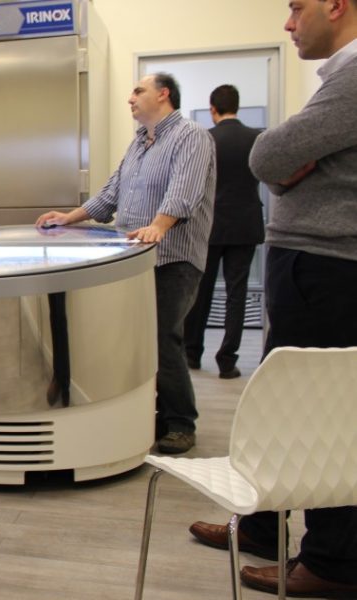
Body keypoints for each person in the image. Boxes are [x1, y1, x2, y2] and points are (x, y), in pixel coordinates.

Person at [188, 1, 357, 596]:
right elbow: (277, 161)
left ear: (336, 6)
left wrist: (285, 166)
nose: (289, 24)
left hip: (331, 266)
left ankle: (332, 563)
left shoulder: (355, 75)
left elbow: (267, 156)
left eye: (296, 8)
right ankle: (263, 522)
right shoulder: (337, 81)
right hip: (306, 259)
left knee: (323, 415)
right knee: (286, 403)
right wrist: (287, 166)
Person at [35, 73, 215, 455]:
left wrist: (158, 226)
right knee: (135, 340)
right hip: (132, 262)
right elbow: (111, 194)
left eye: (138, 91)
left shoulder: (191, 137)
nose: (129, 98)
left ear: (163, 94)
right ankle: (149, 414)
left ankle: (181, 423)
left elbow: (185, 191)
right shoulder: (137, 144)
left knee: (163, 337)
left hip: (174, 258)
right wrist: (70, 217)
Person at [183, 85, 264, 380]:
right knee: (236, 293)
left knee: (200, 291)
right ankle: (227, 361)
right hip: (245, 225)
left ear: (212, 109)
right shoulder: (257, 138)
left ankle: (192, 353)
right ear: (237, 107)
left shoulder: (205, 139)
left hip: (211, 226)